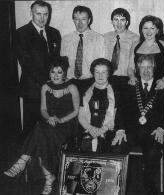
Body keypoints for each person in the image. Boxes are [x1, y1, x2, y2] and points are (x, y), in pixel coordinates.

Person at [4, 57, 80, 195]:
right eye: (53, 72)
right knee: (41, 132)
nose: (56, 75)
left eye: (59, 72)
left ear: (64, 74)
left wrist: (60, 120)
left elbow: (76, 111)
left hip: (67, 123)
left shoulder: (72, 87)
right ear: (49, 73)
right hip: (50, 122)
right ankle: (48, 177)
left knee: (40, 130)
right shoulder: (45, 87)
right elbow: (43, 110)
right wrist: (49, 118)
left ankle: (23, 161)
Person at [122, 54, 164, 195]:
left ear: (154, 69)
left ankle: (148, 185)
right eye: (143, 67)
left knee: (153, 152)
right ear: (137, 69)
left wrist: (162, 128)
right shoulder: (130, 86)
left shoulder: (163, 87)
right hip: (133, 131)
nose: (146, 71)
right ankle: (121, 186)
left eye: (149, 67)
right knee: (117, 147)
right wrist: (120, 130)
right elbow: (122, 111)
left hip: (153, 131)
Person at [17, 0, 61, 139]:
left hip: (52, 88)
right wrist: (47, 83)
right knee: (31, 126)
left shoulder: (54, 33)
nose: (42, 18)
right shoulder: (21, 33)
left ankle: (46, 157)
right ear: (31, 13)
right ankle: (27, 158)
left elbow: (57, 61)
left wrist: (55, 82)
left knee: (49, 125)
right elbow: (27, 64)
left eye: (45, 14)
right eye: (38, 14)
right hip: (33, 89)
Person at [78, 58, 126, 155]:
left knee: (109, 146)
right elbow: (81, 116)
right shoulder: (85, 90)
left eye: (103, 72)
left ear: (108, 74)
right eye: (97, 72)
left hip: (108, 129)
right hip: (88, 129)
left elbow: (114, 117)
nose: (100, 75)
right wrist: (91, 129)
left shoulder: (116, 92)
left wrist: (102, 130)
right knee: (86, 144)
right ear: (93, 73)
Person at [61, 5, 105, 98]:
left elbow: (101, 65)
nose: (80, 23)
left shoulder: (99, 39)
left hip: (91, 83)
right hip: (70, 83)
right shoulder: (66, 39)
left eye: (83, 19)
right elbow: (62, 64)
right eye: (76, 19)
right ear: (73, 20)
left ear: (89, 20)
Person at [128, 15, 164, 90]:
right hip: (140, 85)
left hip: (160, 85)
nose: (148, 31)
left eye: (152, 28)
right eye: (145, 28)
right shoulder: (135, 45)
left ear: (157, 30)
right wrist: (132, 77)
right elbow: (130, 67)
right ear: (141, 30)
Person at [103, 8, 139, 96]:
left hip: (126, 78)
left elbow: (133, 62)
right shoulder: (105, 37)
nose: (119, 23)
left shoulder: (135, 38)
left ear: (127, 22)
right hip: (107, 78)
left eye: (122, 20)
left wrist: (132, 77)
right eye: (116, 20)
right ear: (111, 21)